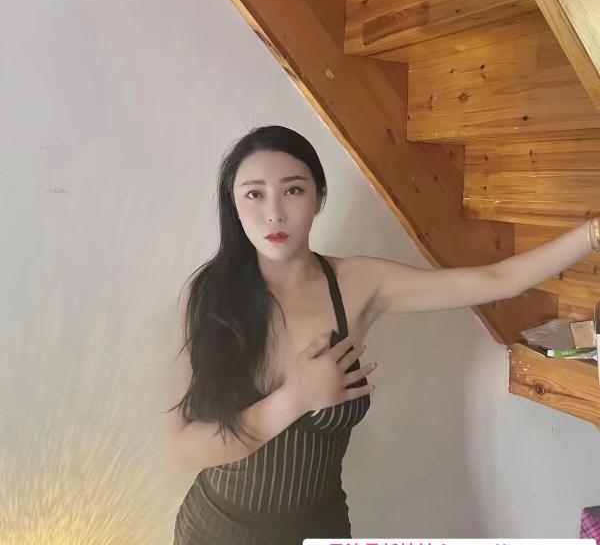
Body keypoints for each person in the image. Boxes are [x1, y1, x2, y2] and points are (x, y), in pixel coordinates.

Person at [165, 124, 600, 544]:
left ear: (319, 198)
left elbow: (497, 280)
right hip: (216, 532)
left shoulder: (357, 284)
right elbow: (182, 450)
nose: (274, 212)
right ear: (234, 204)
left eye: (293, 190)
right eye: (254, 194)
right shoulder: (206, 297)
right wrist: (295, 398)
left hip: (318, 530)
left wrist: (592, 233)